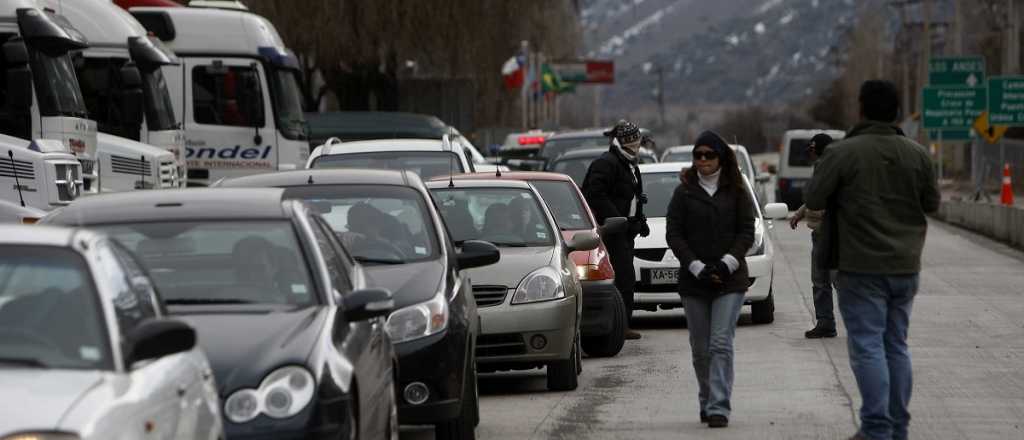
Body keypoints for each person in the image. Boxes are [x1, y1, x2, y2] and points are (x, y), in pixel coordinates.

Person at [804, 80, 940, 440]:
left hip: (859, 266)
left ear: (861, 109)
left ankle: (877, 428)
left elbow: (815, 197)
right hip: (905, 266)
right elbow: (932, 204)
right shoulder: (918, 153)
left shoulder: (842, 153)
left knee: (867, 345)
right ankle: (898, 427)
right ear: (897, 111)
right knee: (896, 344)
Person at [665, 130, 755, 429]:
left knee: (720, 343)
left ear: (720, 157)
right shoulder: (684, 191)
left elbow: (747, 230)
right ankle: (706, 398)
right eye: (698, 155)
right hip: (695, 282)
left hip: (730, 280)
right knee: (700, 348)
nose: (702, 160)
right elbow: (674, 234)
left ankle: (719, 406)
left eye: (709, 155)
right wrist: (695, 266)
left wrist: (728, 262)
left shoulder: (737, 190)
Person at [581, 119, 650, 341]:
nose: (635, 146)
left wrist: (641, 221)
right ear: (619, 142)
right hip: (611, 232)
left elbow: (633, 197)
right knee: (621, 278)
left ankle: (623, 323)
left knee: (626, 278)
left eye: (637, 141)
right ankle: (619, 325)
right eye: (630, 141)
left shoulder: (630, 165)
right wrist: (618, 220)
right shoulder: (607, 163)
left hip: (626, 231)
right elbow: (595, 195)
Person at [790, 133, 838, 338]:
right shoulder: (823, 166)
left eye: (811, 149)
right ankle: (826, 322)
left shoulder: (830, 167)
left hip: (832, 233)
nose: (809, 154)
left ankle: (853, 322)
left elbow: (828, 197)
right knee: (821, 280)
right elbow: (815, 196)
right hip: (821, 234)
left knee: (836, 281)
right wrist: (800, 214)